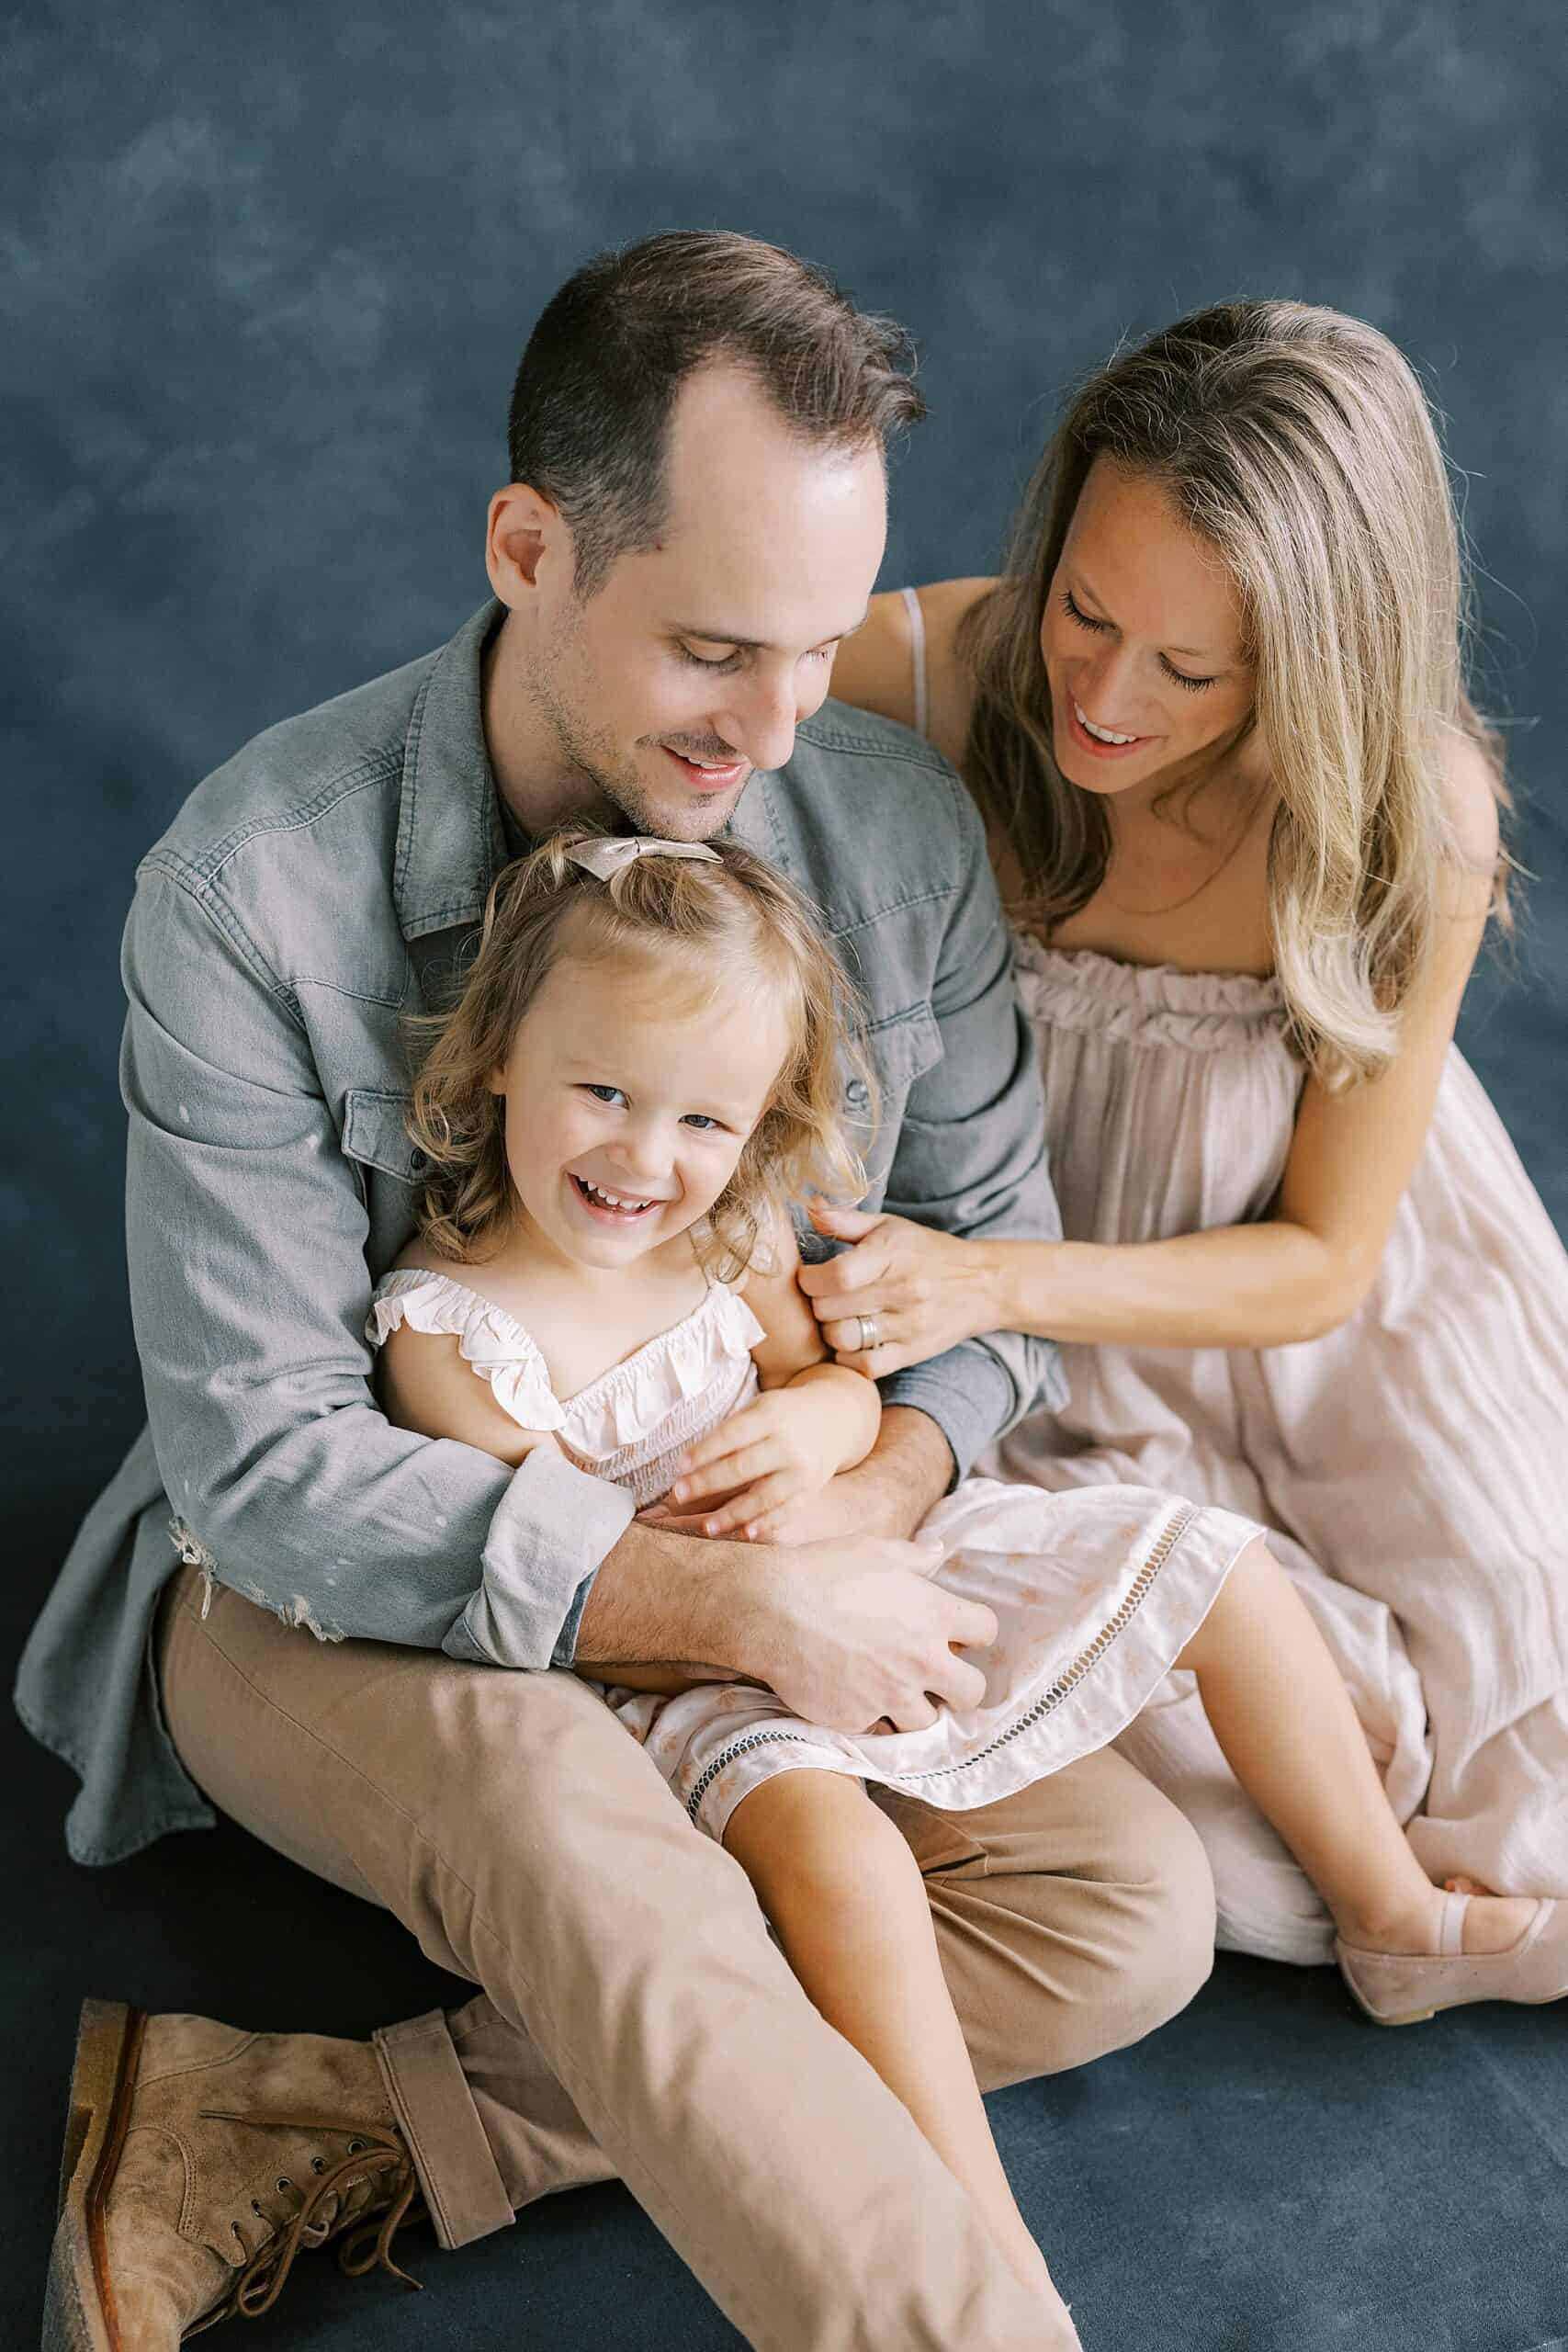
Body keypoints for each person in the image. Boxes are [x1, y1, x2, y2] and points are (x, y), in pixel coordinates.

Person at [20, 233, 1219, 2352]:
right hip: (329, 1584)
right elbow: (267, 1464)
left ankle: (315, 2115)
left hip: (765, 1536)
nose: (775, 728)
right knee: (583, 1823)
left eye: (823, 648)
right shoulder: (248, 886)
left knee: (1124, 1908)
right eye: (713, 651)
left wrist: (881, 1467)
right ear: (528, 545)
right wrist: (726, 1607)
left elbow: (992, 1268)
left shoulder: (884, 822)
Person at [370, 815, 1568, 2312]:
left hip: (878, 1552)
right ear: (498, 1061)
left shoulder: (725, 1242)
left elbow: (839, 1385)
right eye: (600, 1091)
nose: (641, 1157)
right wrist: (761, 1615)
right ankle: (988, 2255)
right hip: (688, 1667)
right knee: (843, 1862)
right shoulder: (452, 1335)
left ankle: (1389, 1913)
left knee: (1220, 1568)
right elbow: (545, 1585)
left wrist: (817, 1435)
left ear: (752, 1131)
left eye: (700, 1123)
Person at [818, 298, 1568, 1974]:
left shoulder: (1408, 817)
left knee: (1524, 1669)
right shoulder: (917, 671)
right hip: (999, 1315)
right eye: (1085, 608)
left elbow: (1321, 1261)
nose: (1099, 692)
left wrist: (993, 1282)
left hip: (1297, 1306)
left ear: (1315, 663)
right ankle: (1393, 1915)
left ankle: (1423, 1913)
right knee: (1202, 1819)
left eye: (1190, 669)